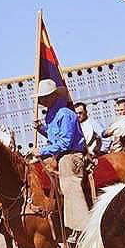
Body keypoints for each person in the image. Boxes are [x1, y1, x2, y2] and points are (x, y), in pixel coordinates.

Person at [32, 79, 87, 235]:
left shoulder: (65, 114)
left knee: (69, 184)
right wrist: (41, 128)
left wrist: (42, 151)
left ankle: (81, 226)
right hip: (58, 154)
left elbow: (65, 143)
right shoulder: (51, 115)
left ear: (54, 96)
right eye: (41, 98)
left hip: (71, 155)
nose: (41, 101)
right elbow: (53, 137)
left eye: (44, 97)